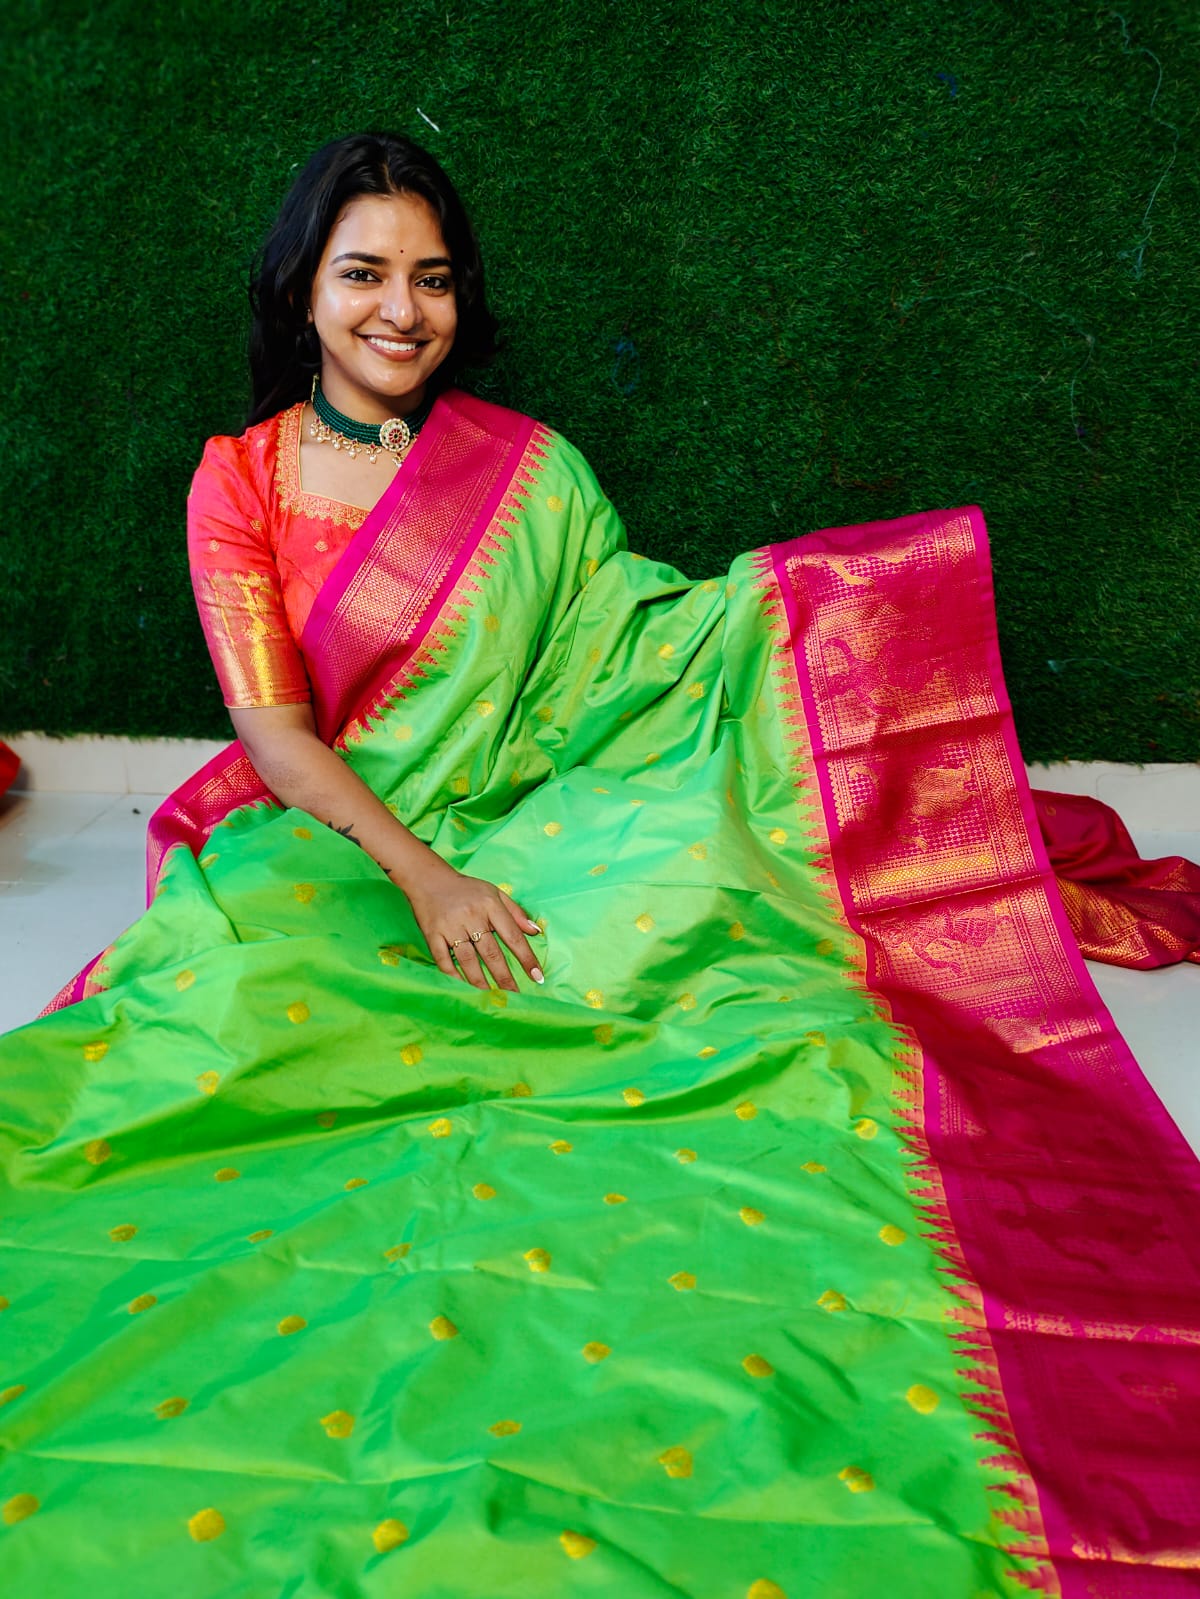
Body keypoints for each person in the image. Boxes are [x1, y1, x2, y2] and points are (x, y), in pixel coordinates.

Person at [1, 133, 1197, 1596]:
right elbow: (275, 734)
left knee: (700, 890)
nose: (401, 312)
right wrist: (427, 877)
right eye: (364, 274)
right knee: (227, 1002)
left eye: (433, 279)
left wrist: (812, 616)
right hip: (333, 832)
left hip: (535, 800)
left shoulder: (530, 472)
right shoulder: (237, 482)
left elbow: (623, 651)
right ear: (301, 291)